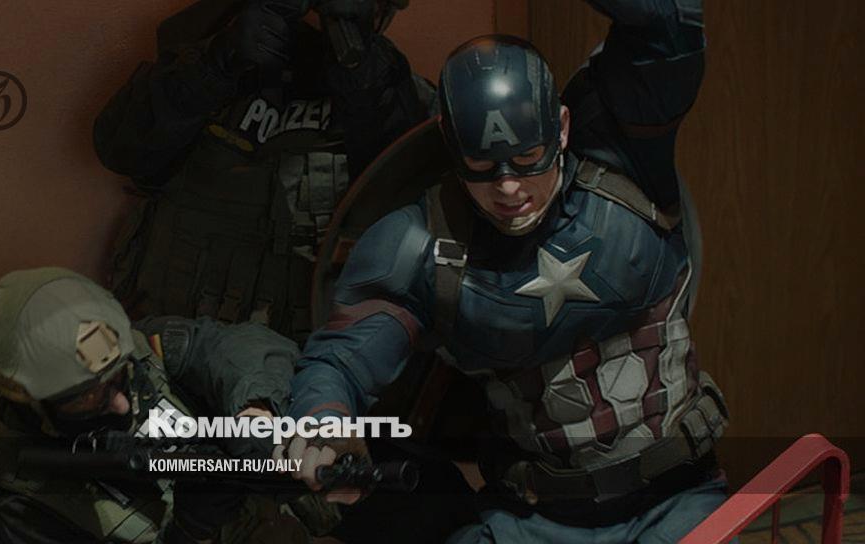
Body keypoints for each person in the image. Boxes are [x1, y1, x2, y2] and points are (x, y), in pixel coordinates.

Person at [278, 0, 733, 541]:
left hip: (677, 499)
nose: (509, 187)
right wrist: (325, 422)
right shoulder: (420, 246)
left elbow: (669, 27)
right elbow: (341, 359)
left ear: (561, 128)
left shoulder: (625, 158)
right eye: (482, 166)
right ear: (451, 143)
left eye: (527, 157)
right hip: (535, 518)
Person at [94, 0, 432, 342]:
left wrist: (365, 71)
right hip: (169, 334)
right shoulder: (216, 40)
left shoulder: (391, 88)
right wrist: (216, 62)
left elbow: (405, 202)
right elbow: (123, 151)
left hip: (303, 354)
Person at [0, 267, 313, 543]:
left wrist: (256, 409)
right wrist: (188, 532)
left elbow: (240, 346)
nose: (122, 404)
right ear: (31, 401)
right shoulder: (12, 498)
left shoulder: (134, 348)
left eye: (117, 378)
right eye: (88, 396)